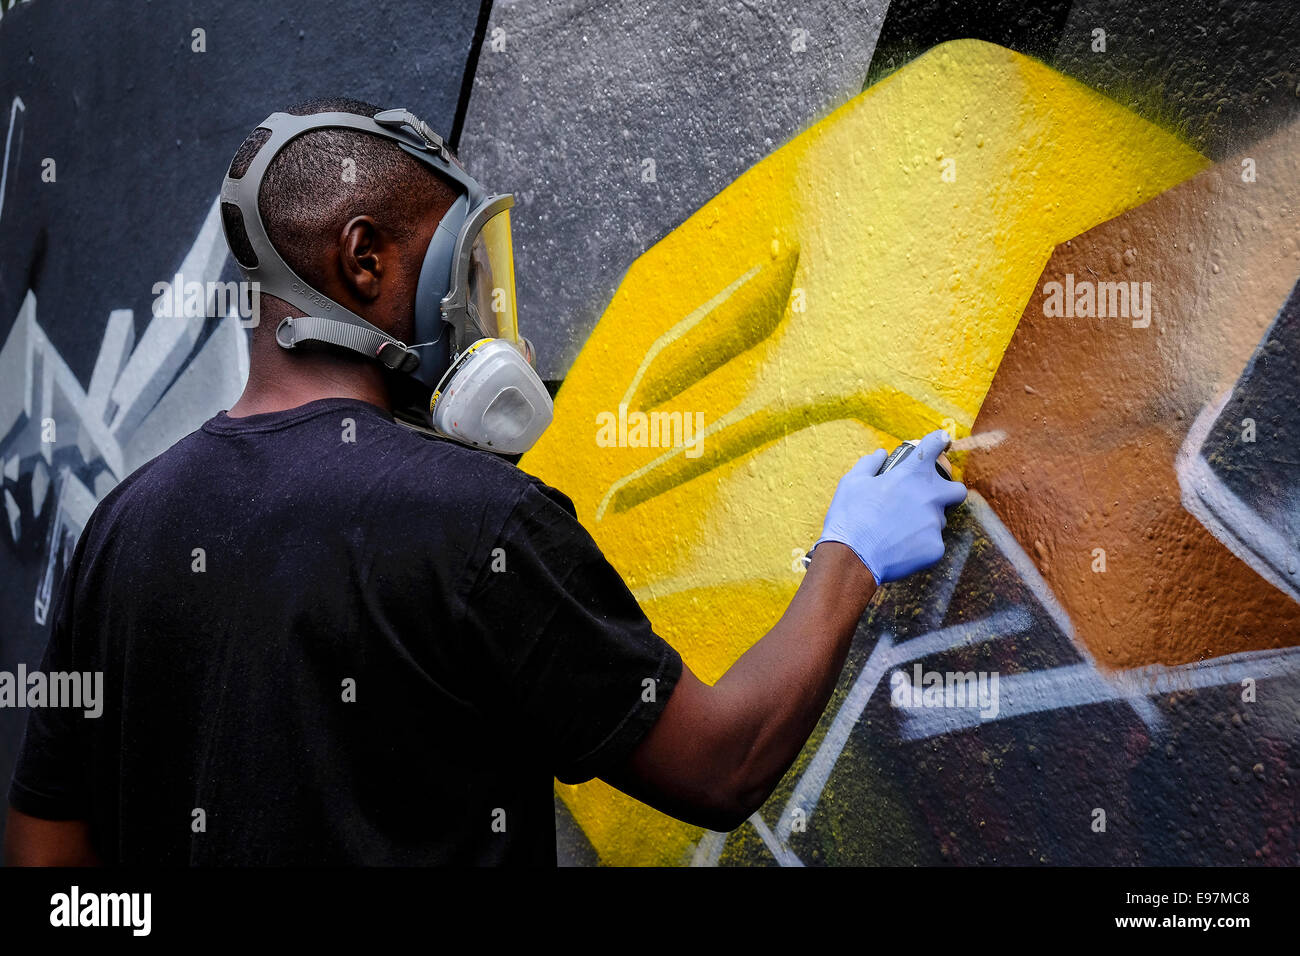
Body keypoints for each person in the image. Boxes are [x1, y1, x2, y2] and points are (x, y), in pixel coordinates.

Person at [4, 98, 966, 866]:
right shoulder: (477, 520)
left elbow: (46, 849)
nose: (489, 314)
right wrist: (850, 555)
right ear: (365, 259)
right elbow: (720, 765)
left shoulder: (123, 527)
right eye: (467, 267)